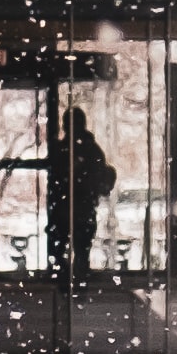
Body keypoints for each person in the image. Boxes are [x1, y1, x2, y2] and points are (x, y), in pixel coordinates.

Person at [46, 99, 117, 278]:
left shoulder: (64, 150)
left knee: (62, 253)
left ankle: (66, 284)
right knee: (79, 254)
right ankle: (76, 286)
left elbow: (56, 180)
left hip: (67, 209)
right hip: (81, 209)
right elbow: (101, 180)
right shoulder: (91, 150)